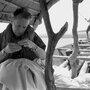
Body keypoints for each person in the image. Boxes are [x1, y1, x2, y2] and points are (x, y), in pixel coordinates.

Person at [0, 8, 46, 90]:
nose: (20, 30)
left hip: (30, 68)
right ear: (12, 21)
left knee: (27, 75)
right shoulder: (1, 37)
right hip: (8, 69)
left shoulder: (33, 36)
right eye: (18, 25)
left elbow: (44, 56)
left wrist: (34, 46)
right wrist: (5, 51)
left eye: (24, 27)